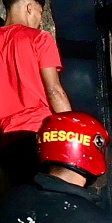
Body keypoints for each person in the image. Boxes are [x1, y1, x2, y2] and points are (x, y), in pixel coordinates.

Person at [0, 0, 72, 194]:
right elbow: (54, 90)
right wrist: (73, 130)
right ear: (30, 7)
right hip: (39, 134)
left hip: (6, 141)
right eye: (40, 14)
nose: (40, 21)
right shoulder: (38, 38)